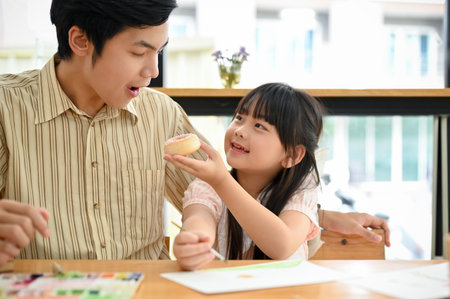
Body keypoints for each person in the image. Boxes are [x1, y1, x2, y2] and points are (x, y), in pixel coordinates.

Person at [0, 0, 390, 268]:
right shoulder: (6, 109)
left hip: (149, 289)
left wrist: (322, 217)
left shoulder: (161, 114)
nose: (153, 70)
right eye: (139, 52)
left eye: (160, 52)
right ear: (80, 40)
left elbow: (225, 193)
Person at [164, 83, 390, 271]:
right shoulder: (207, 186)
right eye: (239, 117)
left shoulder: (302, 193)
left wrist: (222, 180)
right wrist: (192, 242)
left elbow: (282, 245)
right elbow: (198, 222)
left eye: (259, 125)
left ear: (292, 154)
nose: (240, 130)